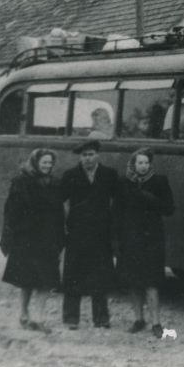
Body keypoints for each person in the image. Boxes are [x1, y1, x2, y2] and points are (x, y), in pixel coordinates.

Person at [0, 148, 65, 333]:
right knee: (26, 279)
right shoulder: (21, 181)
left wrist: (60, 237)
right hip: (26, 238)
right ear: (36, 162)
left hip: (48, 238)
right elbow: (11, 210)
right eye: (44, 162)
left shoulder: (54, 183)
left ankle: (39, 318)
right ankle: (24, 313)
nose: (48, 166)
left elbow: (59, 212)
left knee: (46, 280)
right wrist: (11, 234)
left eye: (50, 163)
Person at [114, 148, 175, 338]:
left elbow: (169, 209)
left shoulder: (159, 181)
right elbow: (117, 211)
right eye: (140, 163)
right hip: (130, 238)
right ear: (133, 164)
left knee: (152, 281)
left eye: (146, 163)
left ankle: (156, 323)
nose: (143, 166)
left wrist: (152, 199)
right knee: (133, 282)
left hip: (151, 239)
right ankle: (138, 319)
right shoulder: (124, 183)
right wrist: (117, 238)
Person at [60, 140, 119, 329]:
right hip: (77, 233)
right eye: (84, 155)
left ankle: (101, 319)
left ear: (98, 155)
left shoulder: (109, 175)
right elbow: (60, 202)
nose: (87, 158)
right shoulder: (70, 175)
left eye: (91, 154)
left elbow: (117, 202)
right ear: (80, 157)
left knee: (100, 276)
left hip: (101, 234)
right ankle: (71, 319)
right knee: (73, 275)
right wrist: (65, 225)